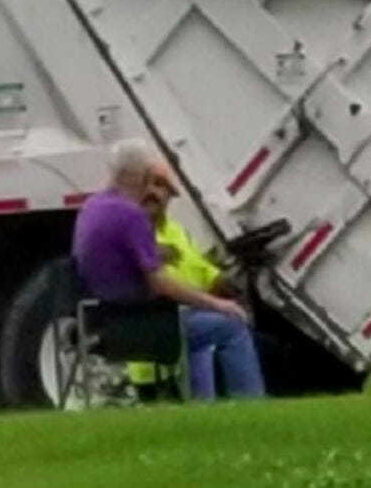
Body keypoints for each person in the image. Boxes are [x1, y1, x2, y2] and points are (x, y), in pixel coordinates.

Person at [72, 139, 265, 400]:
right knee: (232, 325)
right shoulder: (132, 216)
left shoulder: (92, 208)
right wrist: (217, 304)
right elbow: (160, 283)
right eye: (151, 178)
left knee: (197, 330)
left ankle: (202, 408)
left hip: (101, 324)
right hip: (146, 326)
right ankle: (251, 405)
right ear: (140, 176)